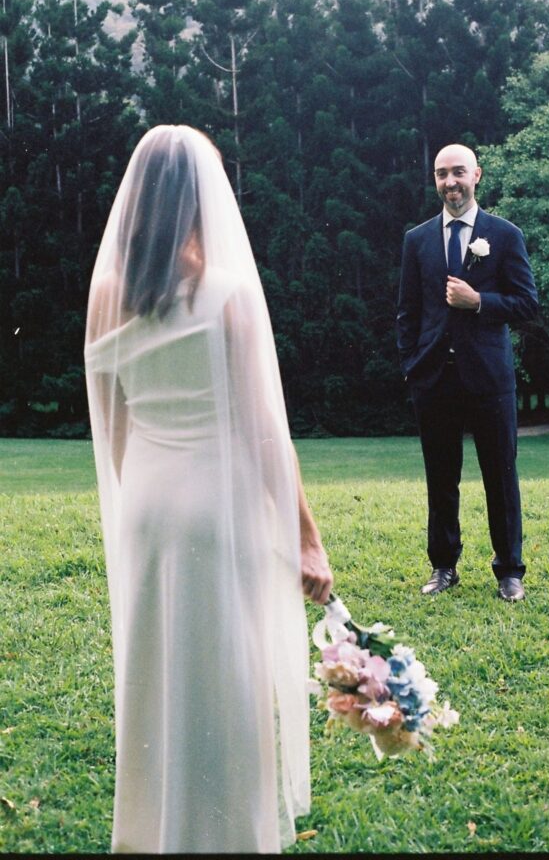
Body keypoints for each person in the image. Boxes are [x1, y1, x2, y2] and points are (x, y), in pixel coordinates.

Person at [84, 125, 333, 854]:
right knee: (226, 682)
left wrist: (140, 502)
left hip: (148, 508)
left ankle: (152, 833)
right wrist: (306, 538)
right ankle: (226, 835)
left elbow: (115, 423)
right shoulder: (224, 293)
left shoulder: (105, 294)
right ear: (199, 200)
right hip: (214, 506)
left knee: (157, 679)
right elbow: (262, 433)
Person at [396, 143, 538, 602]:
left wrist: (480, 302)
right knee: (440, 477)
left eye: (458, 172)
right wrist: (413, 367)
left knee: (500, 475)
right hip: (433, 379)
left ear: (476, 175)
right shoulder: (416, 240)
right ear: (434, 180)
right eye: (441, 174)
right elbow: (407, 314)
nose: (450, 182)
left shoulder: (504, 234)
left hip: (489, 380)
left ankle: (509, 571)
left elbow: (527, 304)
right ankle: (443, 566)